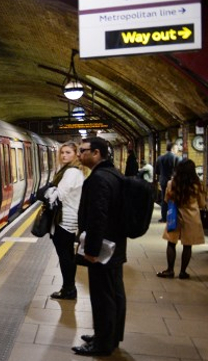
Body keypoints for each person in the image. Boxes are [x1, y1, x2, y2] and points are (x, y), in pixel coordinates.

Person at [72, 137, 126, 357]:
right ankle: (109, 335)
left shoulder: (98, 179)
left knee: (102, 296)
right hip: (115, 246)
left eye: (82, 151)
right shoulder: (114, 174)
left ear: (96, 153)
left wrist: (92, 251)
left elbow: (98, 218)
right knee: (114, 294)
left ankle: (102, 344)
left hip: (103, 249)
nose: (79, 155)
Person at [44, 141, 87, 300]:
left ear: (76, 154)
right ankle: (68, 287)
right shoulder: (72, 171)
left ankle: (68, 289)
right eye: (62, 153)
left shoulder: (71, 173)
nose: (64, 155)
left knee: (65, 256)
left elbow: (58, 195)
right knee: (66, 254)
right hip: (68, 218)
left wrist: (49, 192)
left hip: (65, 220)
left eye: (68, 152)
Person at [156, 159, 206, 279]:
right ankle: (183, 272)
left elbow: (167, 200)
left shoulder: (171, 183)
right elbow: (202, 203)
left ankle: (170, 270)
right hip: (192, 218)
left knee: (171, 244)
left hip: (175, 217)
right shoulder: (198, 185)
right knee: (188, 246)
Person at [155, 143, 180, 222]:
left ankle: (164, 218)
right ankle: (173, 217)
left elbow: (157, 171)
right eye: (176, 148)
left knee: (164, 199)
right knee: (174, 199)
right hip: (173, 181)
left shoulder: (160, 158)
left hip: (163, 181)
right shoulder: (176, 158)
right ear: (172, 149)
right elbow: (179, 171)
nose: (177, 150)